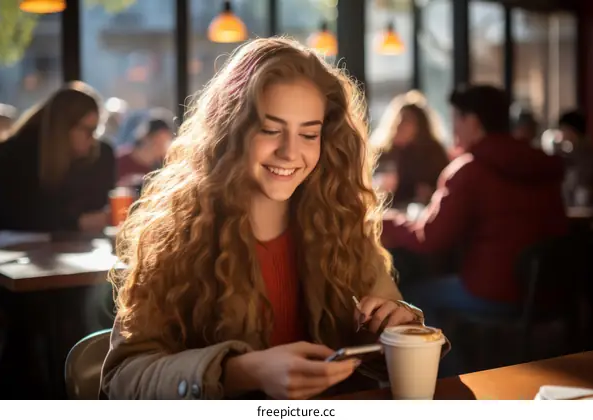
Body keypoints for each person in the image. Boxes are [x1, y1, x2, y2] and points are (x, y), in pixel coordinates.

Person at [101, 37, 424, 400]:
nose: (290, 152)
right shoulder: (176, 235)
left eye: (308, 134)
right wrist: (241, 371)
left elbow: (392, 332)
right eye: (271, 129)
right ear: (230, 131)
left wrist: (397, 327)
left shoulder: (342, 224)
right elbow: (121, 379)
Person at [382, 84, 568, 346]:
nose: (453, 128)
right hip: (550, 292)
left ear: (472, 121)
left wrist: (387, 222)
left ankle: (452, 378)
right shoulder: (542, 164)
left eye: (456, 119)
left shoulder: (469, 170)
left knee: (411, 298)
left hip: (494, 291)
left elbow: (431, 238)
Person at [0, 82, 115, 233]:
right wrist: (74, 223)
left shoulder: (100, 154)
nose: (92, 140)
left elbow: (97, 206)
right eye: (87, 130)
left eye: (95, 131)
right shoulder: (14, 155)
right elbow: (8, 216)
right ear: (63, 127)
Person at [371, 91, 449, 207]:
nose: (400, 124)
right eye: (399, 118)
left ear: (419, 126)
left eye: (407, 120)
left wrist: (430, 192)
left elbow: (444, 186)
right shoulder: (383, 151)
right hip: (384, 211)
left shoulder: (433, 153)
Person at [114, 108, 174, 188]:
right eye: (159, 141)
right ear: (146, 137)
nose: (162, 148)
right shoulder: (119, 160)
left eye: (165, 143)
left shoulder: (164, 166)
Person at [554, 110, 593, 206]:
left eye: (563, 130)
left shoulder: (586, 153)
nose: (562, 134)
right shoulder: (573, 152)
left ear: (571, 130)